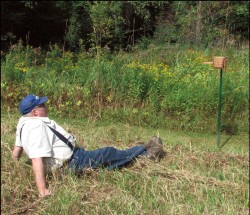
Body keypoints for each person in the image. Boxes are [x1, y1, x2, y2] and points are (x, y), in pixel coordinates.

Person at [12, 94, 166, 197]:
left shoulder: (24, 122)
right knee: (108, 153)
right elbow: (36, 159)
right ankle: (146, 152)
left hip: (74, 157)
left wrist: (14, 163)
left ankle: (139, 156)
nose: (45, 106)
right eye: (42, 105)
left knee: (103, 164)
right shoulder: (36, 127)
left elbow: (18, 147)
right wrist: (42, 190)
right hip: (72, 162)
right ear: (35, 112)